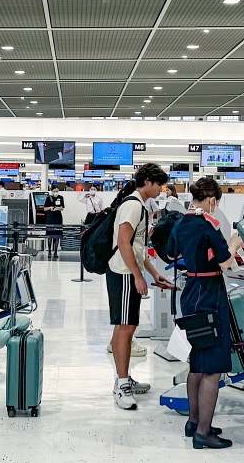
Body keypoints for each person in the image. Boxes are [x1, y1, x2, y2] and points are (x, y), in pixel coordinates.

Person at [166, 177, 243, 449]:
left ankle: (194, 422)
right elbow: (226, 262)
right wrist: (233, 242)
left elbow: (172, 253)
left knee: (197, 361)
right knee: (212, 368)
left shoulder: (181, 223)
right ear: (212, 200)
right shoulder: (210, 226)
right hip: (210, 295)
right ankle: (203, 432)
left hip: (191, 293)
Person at [107, 163, 174, 410]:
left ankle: (123, 378)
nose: (160, 189)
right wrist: (137, 276)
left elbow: (138, 249)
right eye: (158, 185)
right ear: (147, 182)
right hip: (123, 273)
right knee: (125, 327)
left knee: (128, 325)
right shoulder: (133, 206)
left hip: (128, 272)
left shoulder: (140, 206)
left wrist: (154, 273)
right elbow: (124, 244)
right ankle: (121, 384)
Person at [43, 186, 65, 259]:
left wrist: (60, 208)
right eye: (54, 191)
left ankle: (55, 251)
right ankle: (49, 251)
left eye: (57, 191)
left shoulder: (61, 198)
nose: (56, 192)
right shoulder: (49, 198)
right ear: (52, 191)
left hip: (58, 217)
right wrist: (50, 208)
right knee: (50, 235)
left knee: (57, 235)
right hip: (50, 218)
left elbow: (62, 207)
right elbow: (45, 208)